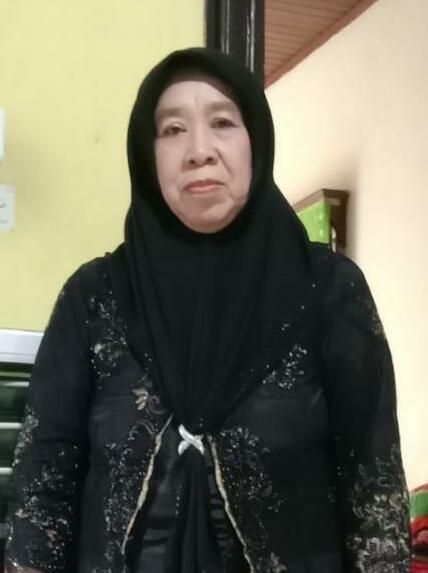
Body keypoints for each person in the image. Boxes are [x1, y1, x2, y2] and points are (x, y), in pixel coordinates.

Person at [5, 48, 410, 573]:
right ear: (146, 154)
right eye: (173, 130)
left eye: (222, 122)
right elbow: (43, 483)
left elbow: (373, 485)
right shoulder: (94, 297)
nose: (199, 150)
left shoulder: (327, 290)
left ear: (255, 140)